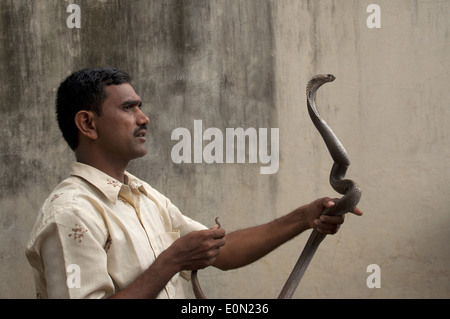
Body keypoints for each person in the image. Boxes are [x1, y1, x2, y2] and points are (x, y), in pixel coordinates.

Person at [25, 67, 363, 299]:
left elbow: (223, 252)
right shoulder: (71, 213)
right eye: (129, 108)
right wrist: (171, 261)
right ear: (87, 123)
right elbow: (179, 258)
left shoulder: (143, 196)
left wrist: (305, 217)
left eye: (140, 107)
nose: (144, 118)